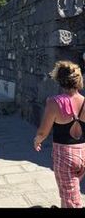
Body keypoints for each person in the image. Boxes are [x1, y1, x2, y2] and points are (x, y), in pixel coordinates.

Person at [34, 60, 85, 208]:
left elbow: (43, 131)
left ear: (59, 80)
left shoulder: (54, 103)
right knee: (68, 192)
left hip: (65, 156)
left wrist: (37, 140)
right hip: (83, 153)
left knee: (72, 200)